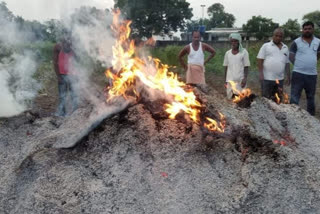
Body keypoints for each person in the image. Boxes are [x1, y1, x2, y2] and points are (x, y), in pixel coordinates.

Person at [289, 21, 320, 115]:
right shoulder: (296, 42)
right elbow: (291, 56)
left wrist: (310, 62)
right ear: (302, 30)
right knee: (295, 96)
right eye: (305, 29)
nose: (307, 30)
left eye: (309, 28)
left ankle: (311, 118)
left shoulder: (318, 42)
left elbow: (318, 55)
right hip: (298, 74)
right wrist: (299, 65)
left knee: (310, 97)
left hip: (312, 75)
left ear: (313, 29)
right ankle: (293, 116)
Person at [257, 28, 290, 100]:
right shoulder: (266, 46)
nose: (278, 37)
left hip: (280, 79)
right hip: (267, 79)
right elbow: (260, 60)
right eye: (276, 35)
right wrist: (261, 74)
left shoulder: (285, 47)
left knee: (277, 100)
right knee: (266, 100)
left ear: (282, 37)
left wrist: (288, 76)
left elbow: (287, 63)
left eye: (280, 36)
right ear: (273, 36)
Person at [53, 31, 78, 117]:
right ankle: (62, 114)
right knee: (62, 96)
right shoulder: (57, 47)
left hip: (72, 75)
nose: (68, 40)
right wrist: (58, 76)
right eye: (66, 38)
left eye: (70, 38)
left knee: (73, 95)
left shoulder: (73, 47)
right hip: (62, 75)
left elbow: (77, 61)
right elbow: (55, 62)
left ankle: (76, 113)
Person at [223, 33, 250, 99]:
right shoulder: (228, 53)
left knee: (241, 99)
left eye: (235, 41)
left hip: (240, 81)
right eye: (232, 41)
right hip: (230, 81)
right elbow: (226, 67)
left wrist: (245, 79)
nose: (233, 43)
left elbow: (246, 66)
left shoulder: (244, 52)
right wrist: (225, 81)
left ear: (239, 41)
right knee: (230, 99)